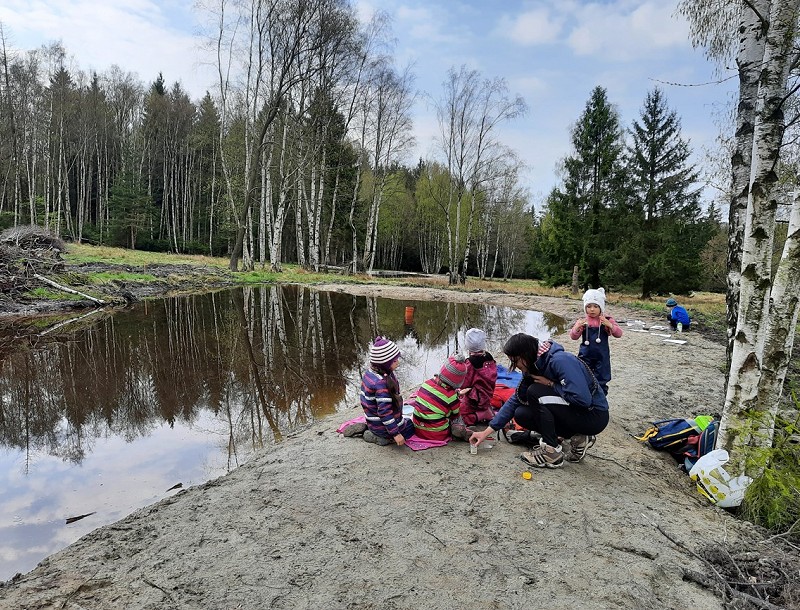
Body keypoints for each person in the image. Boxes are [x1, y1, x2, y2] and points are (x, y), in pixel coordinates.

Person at [469, 333, 609, 468]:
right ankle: (578, 437)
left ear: (525, 355)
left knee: (535, 392)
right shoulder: (534, 365)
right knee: (521, 414)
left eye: (514, 360)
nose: (515, 365)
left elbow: (583, 399)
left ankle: (551, 452)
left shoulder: (560, 361)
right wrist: (487, 431)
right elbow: (516, 399)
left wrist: (551, 384)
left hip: (593, 415)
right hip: (577, 413)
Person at [359, 336, 415, 446]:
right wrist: (395, 434)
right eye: (395, 361)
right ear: (385, 364)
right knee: (411, 428)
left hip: (372, 420)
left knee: (407, 422)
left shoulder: (372, 373)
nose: (397, 363)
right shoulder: (381, 384)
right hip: (382, 426)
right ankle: (382, 438)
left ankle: (375, 431)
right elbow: (384, 412)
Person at [569, 287, 622, 395]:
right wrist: (577, 327)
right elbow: (573, 337)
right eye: (588, 306)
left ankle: (601, 399)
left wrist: (610, 325)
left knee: (601, 378)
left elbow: (619, 334)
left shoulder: (607, 320)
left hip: (602, 356)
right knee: (584, 375)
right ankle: (586, 397)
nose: (592, 309)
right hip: (585, 355)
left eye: (596, 306)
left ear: (601, 307)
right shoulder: (583, 321)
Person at [410, 354, 471, 441]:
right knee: (457, 419)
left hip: (418, 429)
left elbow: (441, 395)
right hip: (437, 434)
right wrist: (457, 397)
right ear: (458, 382)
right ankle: (464, 433)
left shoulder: (426, 383)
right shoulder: (451, 396)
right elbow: (455, 415)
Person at [459, 328, 498, 426]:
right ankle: (486, 410)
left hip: (476, 400)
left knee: (460, 416)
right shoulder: (489, 357)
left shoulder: (470, 363)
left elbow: (464, 383)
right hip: (488, 395)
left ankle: (482, 414)